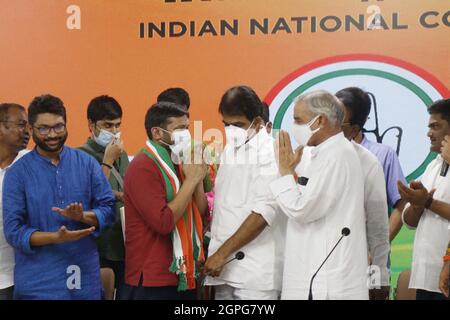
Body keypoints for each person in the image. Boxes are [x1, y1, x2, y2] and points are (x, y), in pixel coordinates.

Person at [2, 94, 115, 299]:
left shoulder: (87, 164)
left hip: (84, 280)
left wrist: (83, 217)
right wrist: (55, 238)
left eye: (58, 127)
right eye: (43, 128)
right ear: (31, 129)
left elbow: (108, 209)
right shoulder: (17, 173)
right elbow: (14, 231)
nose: (52, 134)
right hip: (37, 285)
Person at [270, 90, 369, 300]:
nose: (294, 127)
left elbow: (302, 210)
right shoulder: (322, 153)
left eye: (298, 120)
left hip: (327, 281)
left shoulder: (336, 155)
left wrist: (285, 172)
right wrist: (291, 172)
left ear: (320, 120)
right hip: (314, 274)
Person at [204, 86, 285, 300]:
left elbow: (263, 213)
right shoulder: (231, 149)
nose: (231, 130)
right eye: (226, 124)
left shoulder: (271, 152)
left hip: (256, 275)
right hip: (224, 270)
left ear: (258, 122)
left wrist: (221, 254)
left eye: (237, 124)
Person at [122, 101, 208, 300]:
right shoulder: (143, 167)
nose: (186, 134)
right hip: (153, 277)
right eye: (179, 129)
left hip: (183, 272)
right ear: (157, 132)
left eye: (187, 128)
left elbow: (201, 210)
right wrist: (192, 180)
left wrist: (198, 176)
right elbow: (163, 222)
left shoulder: (179, 160)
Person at [336, 87, 407, 242]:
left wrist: (376, 248)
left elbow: (401, 205)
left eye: (340, 120)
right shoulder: (318, 153)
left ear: (358, 125)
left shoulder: (383, 155)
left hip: (369, 257)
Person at [339, 94, 390, 299]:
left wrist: (378, 279)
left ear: (354, 130)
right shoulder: (305, 157)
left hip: (352, 271)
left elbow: (378, 228)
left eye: (338, 121)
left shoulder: (368, 163)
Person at [398, 98, 450, 300]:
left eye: (435, 126)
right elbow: (409, 222)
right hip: (426, 277)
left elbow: (430, 204)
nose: (429, 133)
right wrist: (417, 203)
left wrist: (428, 202)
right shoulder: (433, 166)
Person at [78, 95, 128, 299]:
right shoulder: (80, 156)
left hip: (124, 243)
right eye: (108, 125)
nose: (114, 131)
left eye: (117, 125)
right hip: (98, 247)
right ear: (91, 124)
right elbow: (88, 198)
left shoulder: (122, 154)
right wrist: (107, 160)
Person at [0, 103, 29, 300]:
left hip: (18, 276)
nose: (27, 131)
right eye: (20, 125)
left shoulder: (31, 163)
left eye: (27, 125)